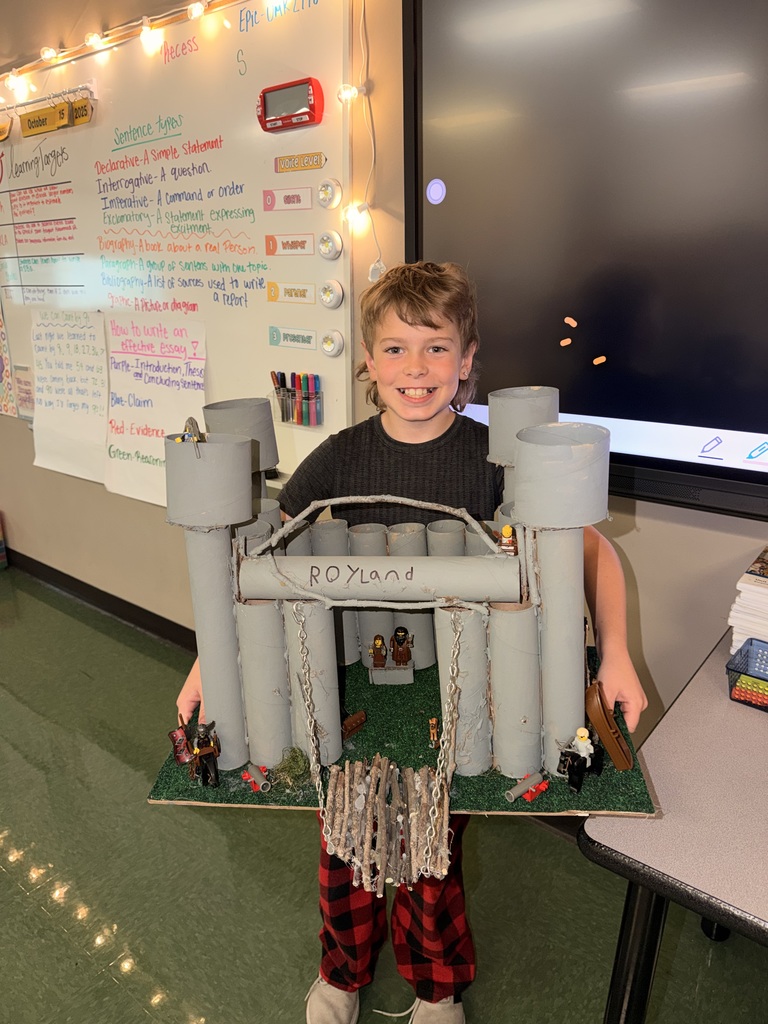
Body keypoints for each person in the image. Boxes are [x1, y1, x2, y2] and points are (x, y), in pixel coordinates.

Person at [176, 261, 648, 1024]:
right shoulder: (336, 459)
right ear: (368, 361)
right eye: (395, 349)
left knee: (431, 851)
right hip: (346, 685)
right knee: (344, 845)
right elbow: (252, 569)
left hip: (467, 699)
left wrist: (617, 651)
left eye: (436, 349)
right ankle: (342, 972)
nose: (416, 369)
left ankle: (437, 986)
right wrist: (207, 668)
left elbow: (592, 552)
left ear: (466, 361)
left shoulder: (496, 460)